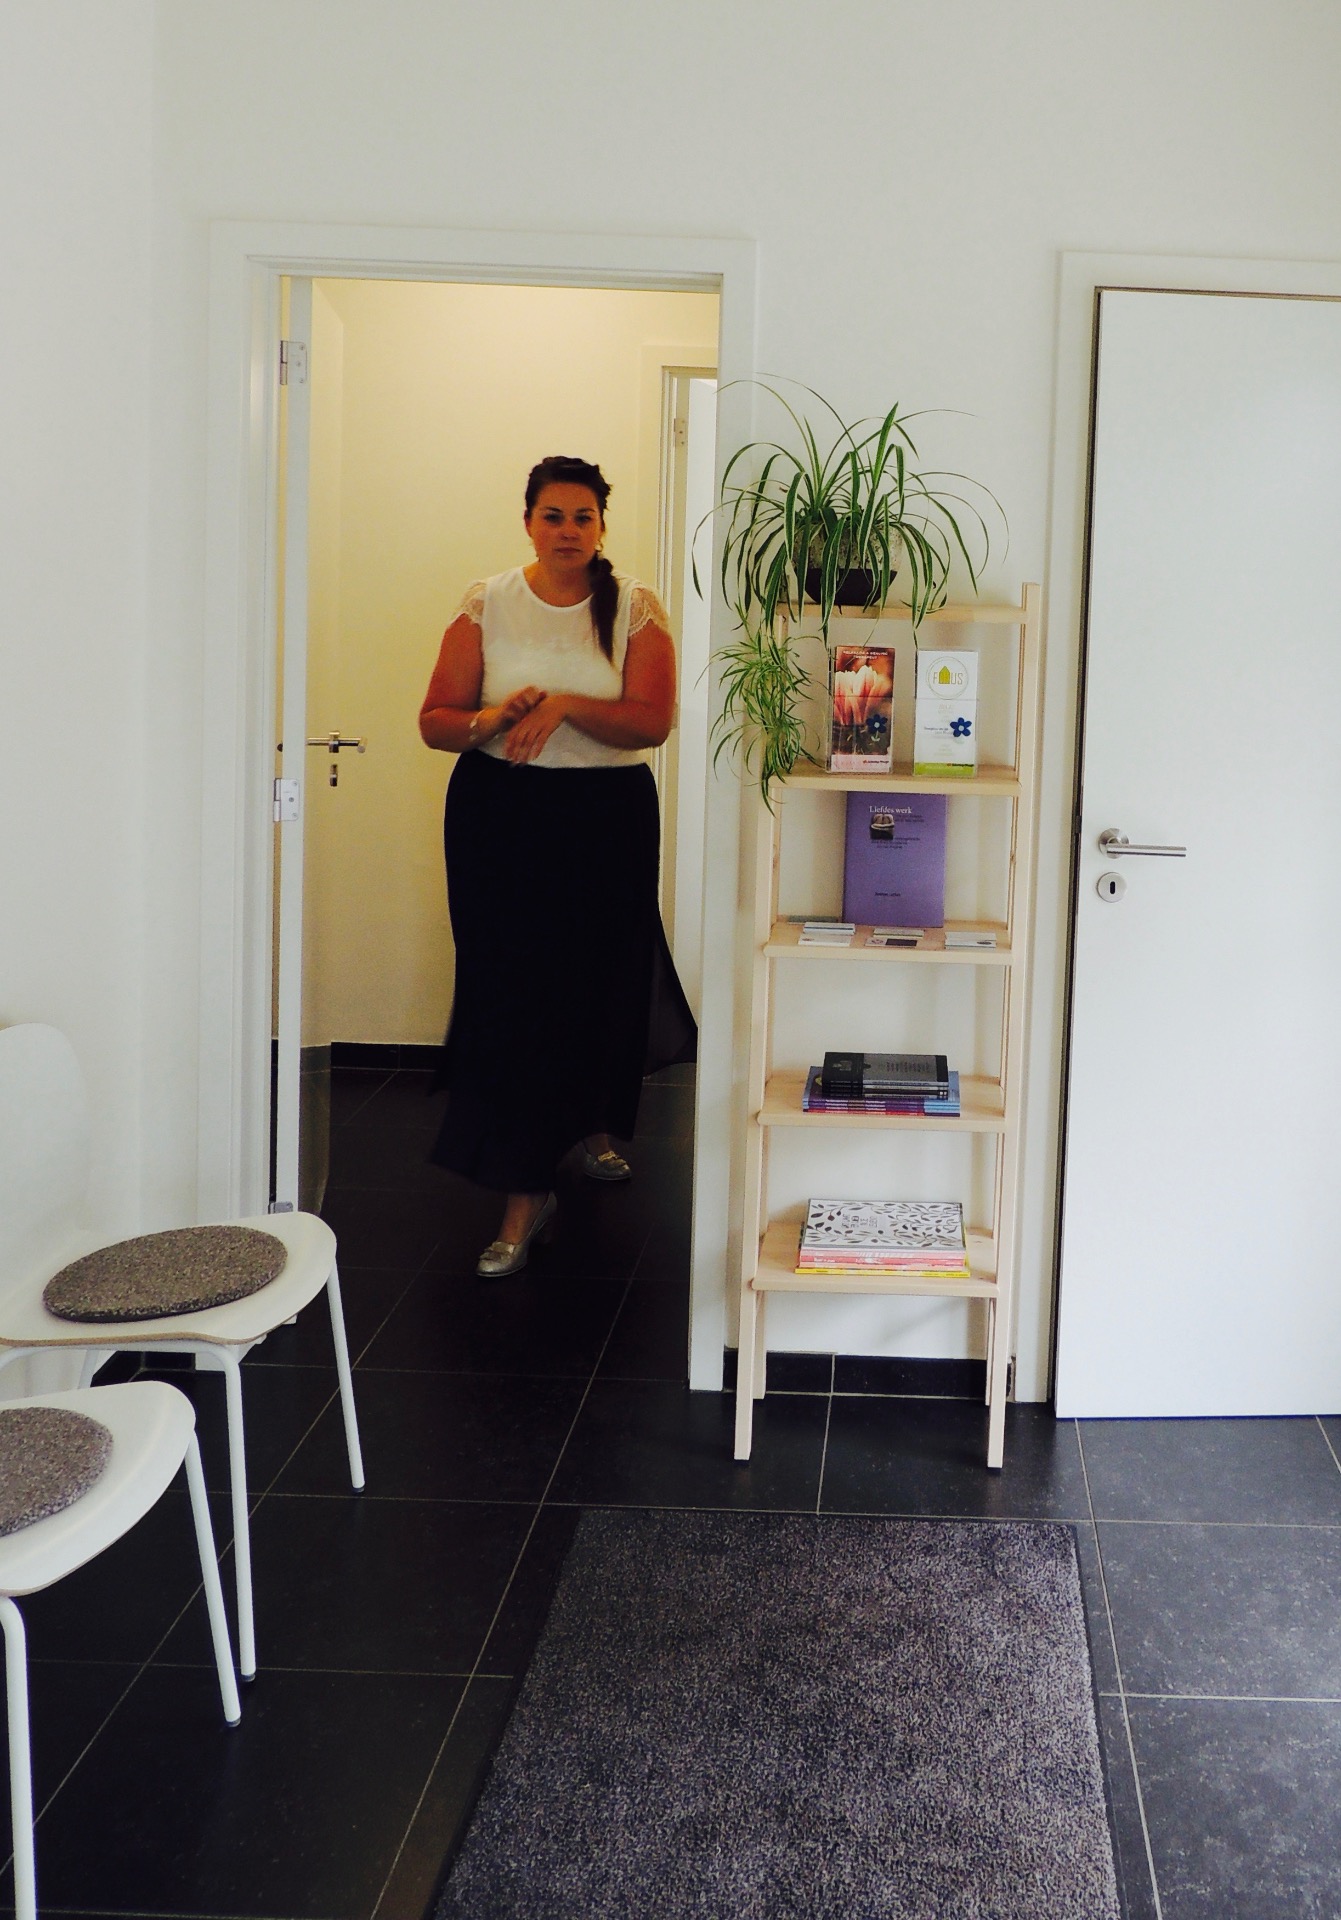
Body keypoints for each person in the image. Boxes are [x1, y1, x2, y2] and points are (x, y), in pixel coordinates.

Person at [419, 455, 696, 1277]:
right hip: (499, 815)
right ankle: (522, 1192)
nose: (568, 531)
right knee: (510, 993)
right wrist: (495, 717)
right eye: (553, 516)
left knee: (598, 979)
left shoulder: (634, 606)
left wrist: (567, 703)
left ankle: (590, 1124)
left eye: (582, 517)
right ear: (528, 523)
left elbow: (651, 722)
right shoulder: (487, 601)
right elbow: (435, 721)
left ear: (601, 527)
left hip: (604, 819)